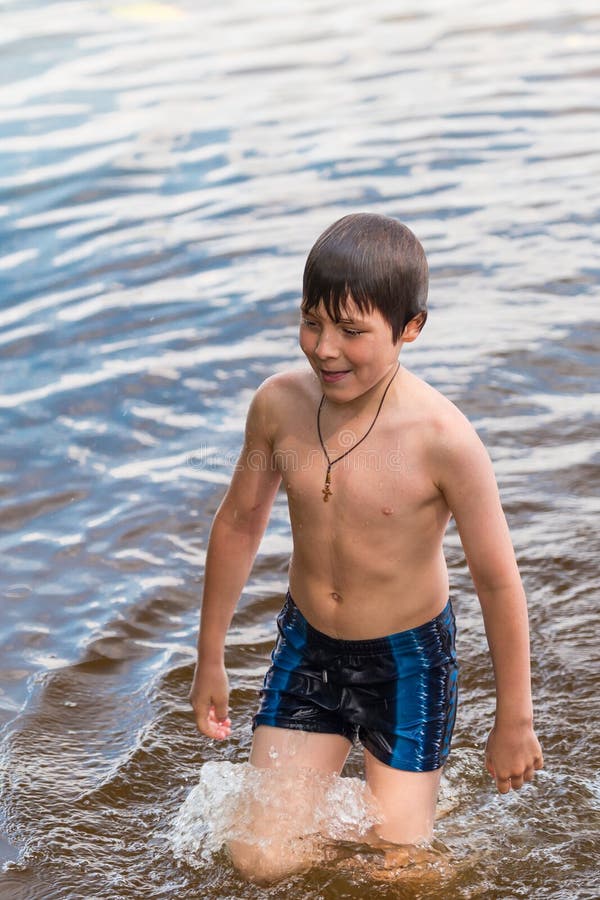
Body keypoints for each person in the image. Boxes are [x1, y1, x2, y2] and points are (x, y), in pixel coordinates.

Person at [189, 213, 543, 882]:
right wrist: (209, 656)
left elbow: (498, 582)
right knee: (261, 860)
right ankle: (349, 812)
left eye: (352, 332)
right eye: (312, 322)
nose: (325, 349)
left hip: (407, 663)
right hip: (309, 648)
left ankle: (426, 841)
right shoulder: (279, 408)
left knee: (395, 874)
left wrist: (514, 720)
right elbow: (240, 522)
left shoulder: (444, 440)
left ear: (410, 328)